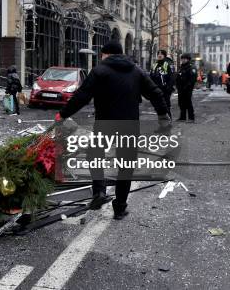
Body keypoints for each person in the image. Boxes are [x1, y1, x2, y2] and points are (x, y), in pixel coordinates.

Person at [55, 41, 170, 220]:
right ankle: (120, 208)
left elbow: (82, 96)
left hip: (105, 124)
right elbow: (155, 93)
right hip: (129, 126)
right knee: (125, 166)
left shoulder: (100, 71)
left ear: (106, 54)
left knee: (95, 155)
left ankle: (99, 191)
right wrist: (163, 117)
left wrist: (63, 114)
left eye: (101, 55)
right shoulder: (136, 70)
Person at [149, 50, 175, 118]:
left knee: (166, 105)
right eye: (158, 54)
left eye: (161, 54)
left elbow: (172, 77)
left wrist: (168, 88)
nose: (159, 55)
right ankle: (161, 120)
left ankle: (169, 120)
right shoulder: (155, 64)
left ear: (164, 55)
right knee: (158, 106)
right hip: (156, 89)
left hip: (165, 89)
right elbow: (151, 76)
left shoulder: (168, 64)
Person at [175, 53, 197, 122]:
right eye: (182, 59)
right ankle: (182, 117)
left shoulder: (191, 67)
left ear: (188, 59)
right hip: (180, 88)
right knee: (181, 103)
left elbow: (193, 78)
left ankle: (191, 118)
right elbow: (178, 77)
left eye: (184, 59)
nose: (183, 60)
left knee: (188, 102)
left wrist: (187, 86)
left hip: (187, 88)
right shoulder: (181, 67)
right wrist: (177, 85)